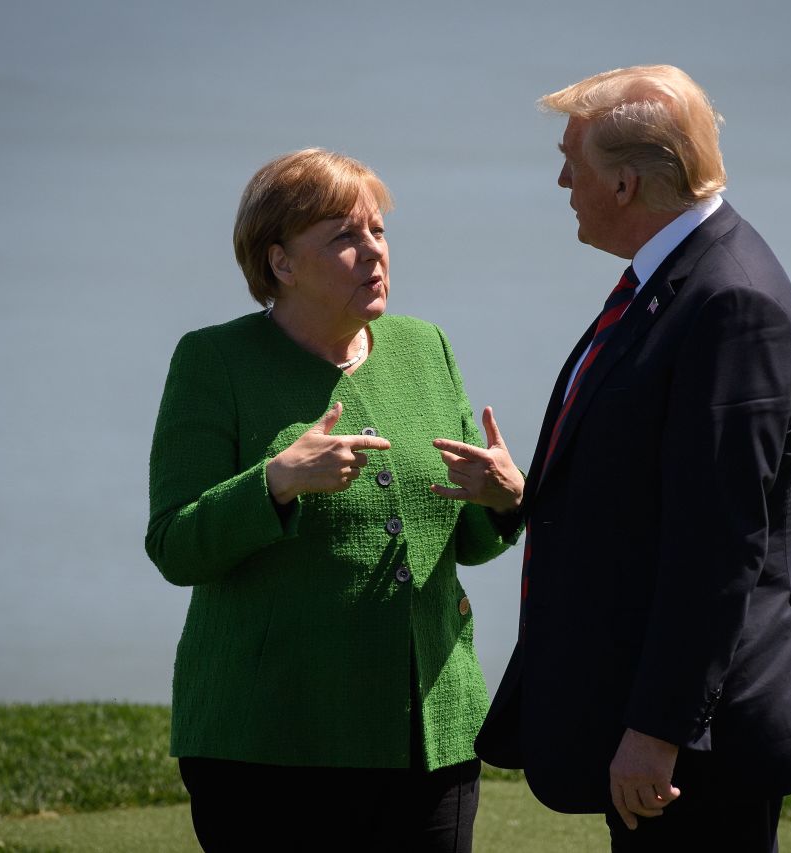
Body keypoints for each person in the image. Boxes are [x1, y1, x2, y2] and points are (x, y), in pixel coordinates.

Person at [471, 65, 791, 852]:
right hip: (650, 714)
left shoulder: (730, 301)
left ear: (627, 183)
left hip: (699, 745)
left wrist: (659, 729)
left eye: (574, 159)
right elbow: (645, 490)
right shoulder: (672, 278)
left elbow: (719, 546)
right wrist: (525, 494)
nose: (561, 178)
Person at [145, 148, 525, 852]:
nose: (373, 253)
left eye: (377, 231)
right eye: (345, 238)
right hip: (267, 745)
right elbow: (174, 543)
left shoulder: (425, 347)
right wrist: (274, 482)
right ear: (281, 263)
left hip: (428, 737)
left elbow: (466, 539)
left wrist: (503, 499)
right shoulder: (213, 362)